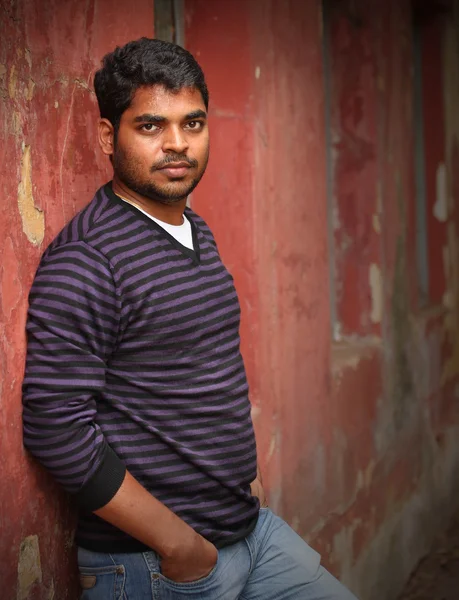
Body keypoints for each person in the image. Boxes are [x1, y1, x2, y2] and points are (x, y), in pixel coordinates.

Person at [22, 38, 358, 600]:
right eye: (151, 126)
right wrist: (179, 546)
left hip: (249, 532)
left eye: (193, 123)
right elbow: (55, 424)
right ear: (109, 136)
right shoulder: (88, 259)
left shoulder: (193, 229)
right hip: (159, 566)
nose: (178, 144)